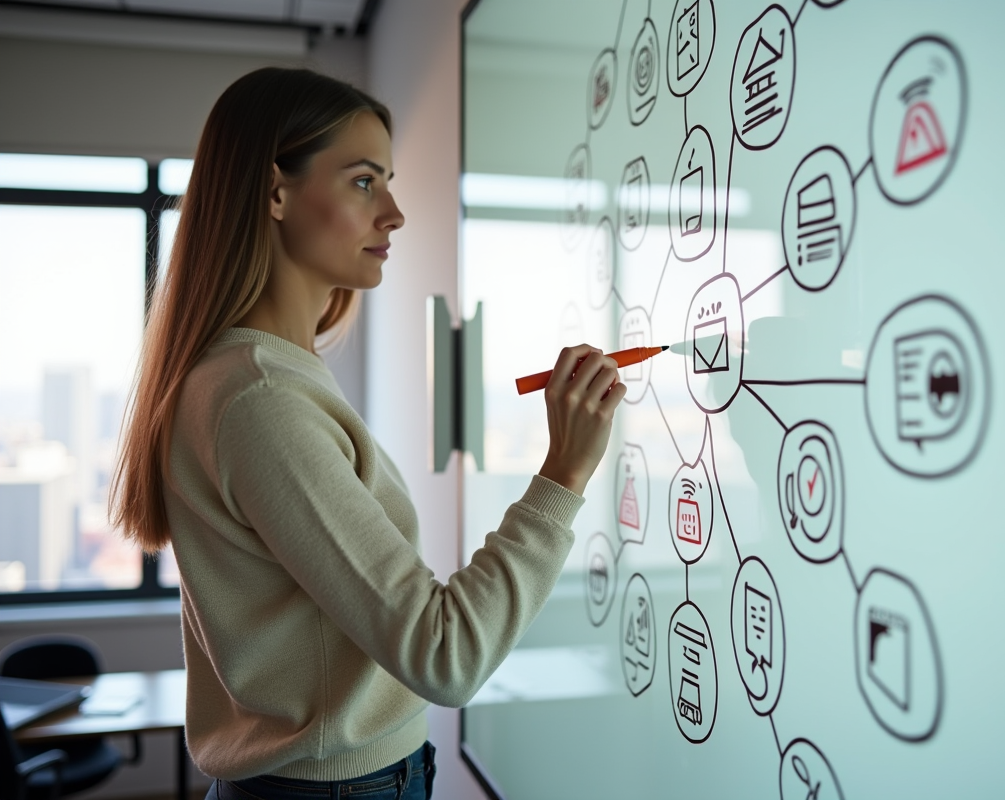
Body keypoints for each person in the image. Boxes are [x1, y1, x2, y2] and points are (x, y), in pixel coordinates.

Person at [110, 67, 625, 800]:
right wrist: (564, 475)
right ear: (276, 192)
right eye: (362, 182)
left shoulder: (265, 374)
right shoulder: (259, 399)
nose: (394, 213)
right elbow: (447, 655)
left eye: (386, 181)